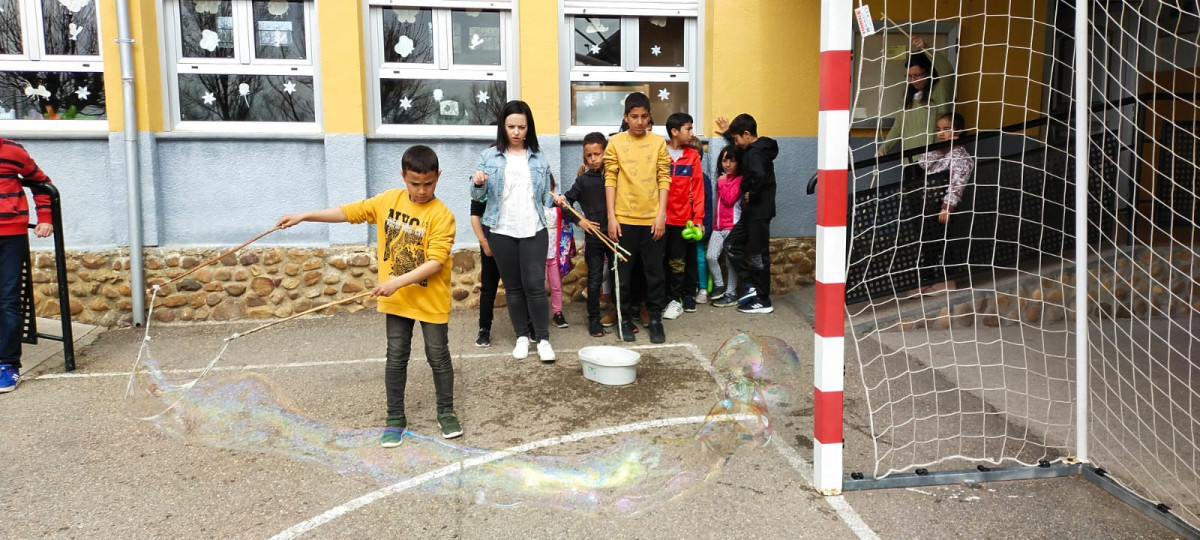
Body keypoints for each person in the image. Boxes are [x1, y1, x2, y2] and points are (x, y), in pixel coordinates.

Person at [275, 145, 461, 446]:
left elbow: (435, 263)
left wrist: (396, 282)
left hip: (430, 302)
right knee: (396, 358)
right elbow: (349, 212)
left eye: (429, 183)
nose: (422, 190)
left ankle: (446, 411)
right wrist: (305, 216)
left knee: (438, 357)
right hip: (398, 301)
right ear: (403, 176)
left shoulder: (442, 216)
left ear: (438, 177)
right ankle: (395, 418)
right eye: (415, 183)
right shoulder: (389, 201)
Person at [470, 100, 558, 362]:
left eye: (521, 126)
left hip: (534, 228)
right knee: (513, 287)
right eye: (511, 126)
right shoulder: (489, 157)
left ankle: (542, 339)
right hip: (502, 229)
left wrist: (558, 198)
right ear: (503, 127)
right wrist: (478, 181)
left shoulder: (539, 157)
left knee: (534, 285)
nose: (516, 132)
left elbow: (546, 196)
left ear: (528, 127)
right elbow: (477, 194)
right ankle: (521, 336)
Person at [604, 92, 671, 343]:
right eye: (634, 117)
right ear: (625, 117)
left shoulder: (658, 144)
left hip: (652, 220)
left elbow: (664, 178)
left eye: (644, 116)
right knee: (622, 274)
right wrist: (612, 217)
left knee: (655, 273)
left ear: (650, 117)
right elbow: (610, 179)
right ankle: (623, 319)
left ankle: (655, 319)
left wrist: (661, 215)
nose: (639, 122)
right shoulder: (615, 143)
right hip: (623, 220)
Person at [0, 138, 54, 394]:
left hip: (10, 236)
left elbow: (43, 184)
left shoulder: (13, 151)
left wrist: (45, 218)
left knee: (8, 300)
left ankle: (7, 365)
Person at [711, 113, 778, 314]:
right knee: (731, 244)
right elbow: (741, 147)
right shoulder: (753, 148)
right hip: (750, 214)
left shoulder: (756, 154)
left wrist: (751, 192)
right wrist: (728, 135)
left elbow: (757, 174)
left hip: (758, 212)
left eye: (737, 138)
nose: (736, 143)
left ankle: (763, 299)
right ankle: (749, 285)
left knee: (758, 255)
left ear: (747, 134)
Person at [911, 112, 974, 294]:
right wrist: (940, 149)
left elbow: (957, 184)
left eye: (946, 129)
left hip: (945, 209)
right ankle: (926, 281)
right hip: (930, 208)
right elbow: (922, 163)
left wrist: (947, 207)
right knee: (930, 245)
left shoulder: (961, 156)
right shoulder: (941, 152)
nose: (941, 133)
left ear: (958, 131)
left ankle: (948, 280)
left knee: (947, 245)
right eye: (939, 129)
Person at [557, 132, 611, 338]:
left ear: (606, 152)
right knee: (595, 279)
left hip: (616, 234)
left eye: (598, 154)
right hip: (594, 238)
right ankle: (594, 320)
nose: (594, 159)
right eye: (589, 156)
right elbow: (564, 204)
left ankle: (622, 316)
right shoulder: (583, 181)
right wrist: (581, 221)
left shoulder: (614, 177)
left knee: (619, 276)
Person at [877, 37, 955, 158]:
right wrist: (883, 149)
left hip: (936, 161)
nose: (913, 80)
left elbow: (947, 71)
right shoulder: (907, 98)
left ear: (928, 72)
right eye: (909, 76)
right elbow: (898, 128)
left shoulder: (941, 90)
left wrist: (926, 48)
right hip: (911, 161)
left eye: (917, 76)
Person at [661, 112, 705, 320]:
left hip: (682, 220)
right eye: (688, 129)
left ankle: (676, 300)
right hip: (660, 219)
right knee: (660, 260)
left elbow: (698, 190)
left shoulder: (693, 156)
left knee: (678, 261)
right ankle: (662, 298)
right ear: (674, 131)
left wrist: (698, 218)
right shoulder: (660, 153)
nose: (691, 133)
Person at [707, 145, 742, 305]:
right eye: (724, 160)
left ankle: (731, 293)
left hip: (732, 227)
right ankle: (720, 286)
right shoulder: (722, 178)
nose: (727, 164)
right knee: (711, 256)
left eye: (732, 161)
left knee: (730, 262)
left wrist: (722, 183)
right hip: (718, 227)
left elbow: (729, 199)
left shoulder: (739, 180)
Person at [543, 174, 573, 329]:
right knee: (538, 287)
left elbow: (569, 216)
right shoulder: (533, 206)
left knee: (556, 285)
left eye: (548, 187)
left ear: (552, 188)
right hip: (538, 255)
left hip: (554, 254)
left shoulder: (557, 206)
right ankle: (539, 313)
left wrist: (562, 204)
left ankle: (558, 313)